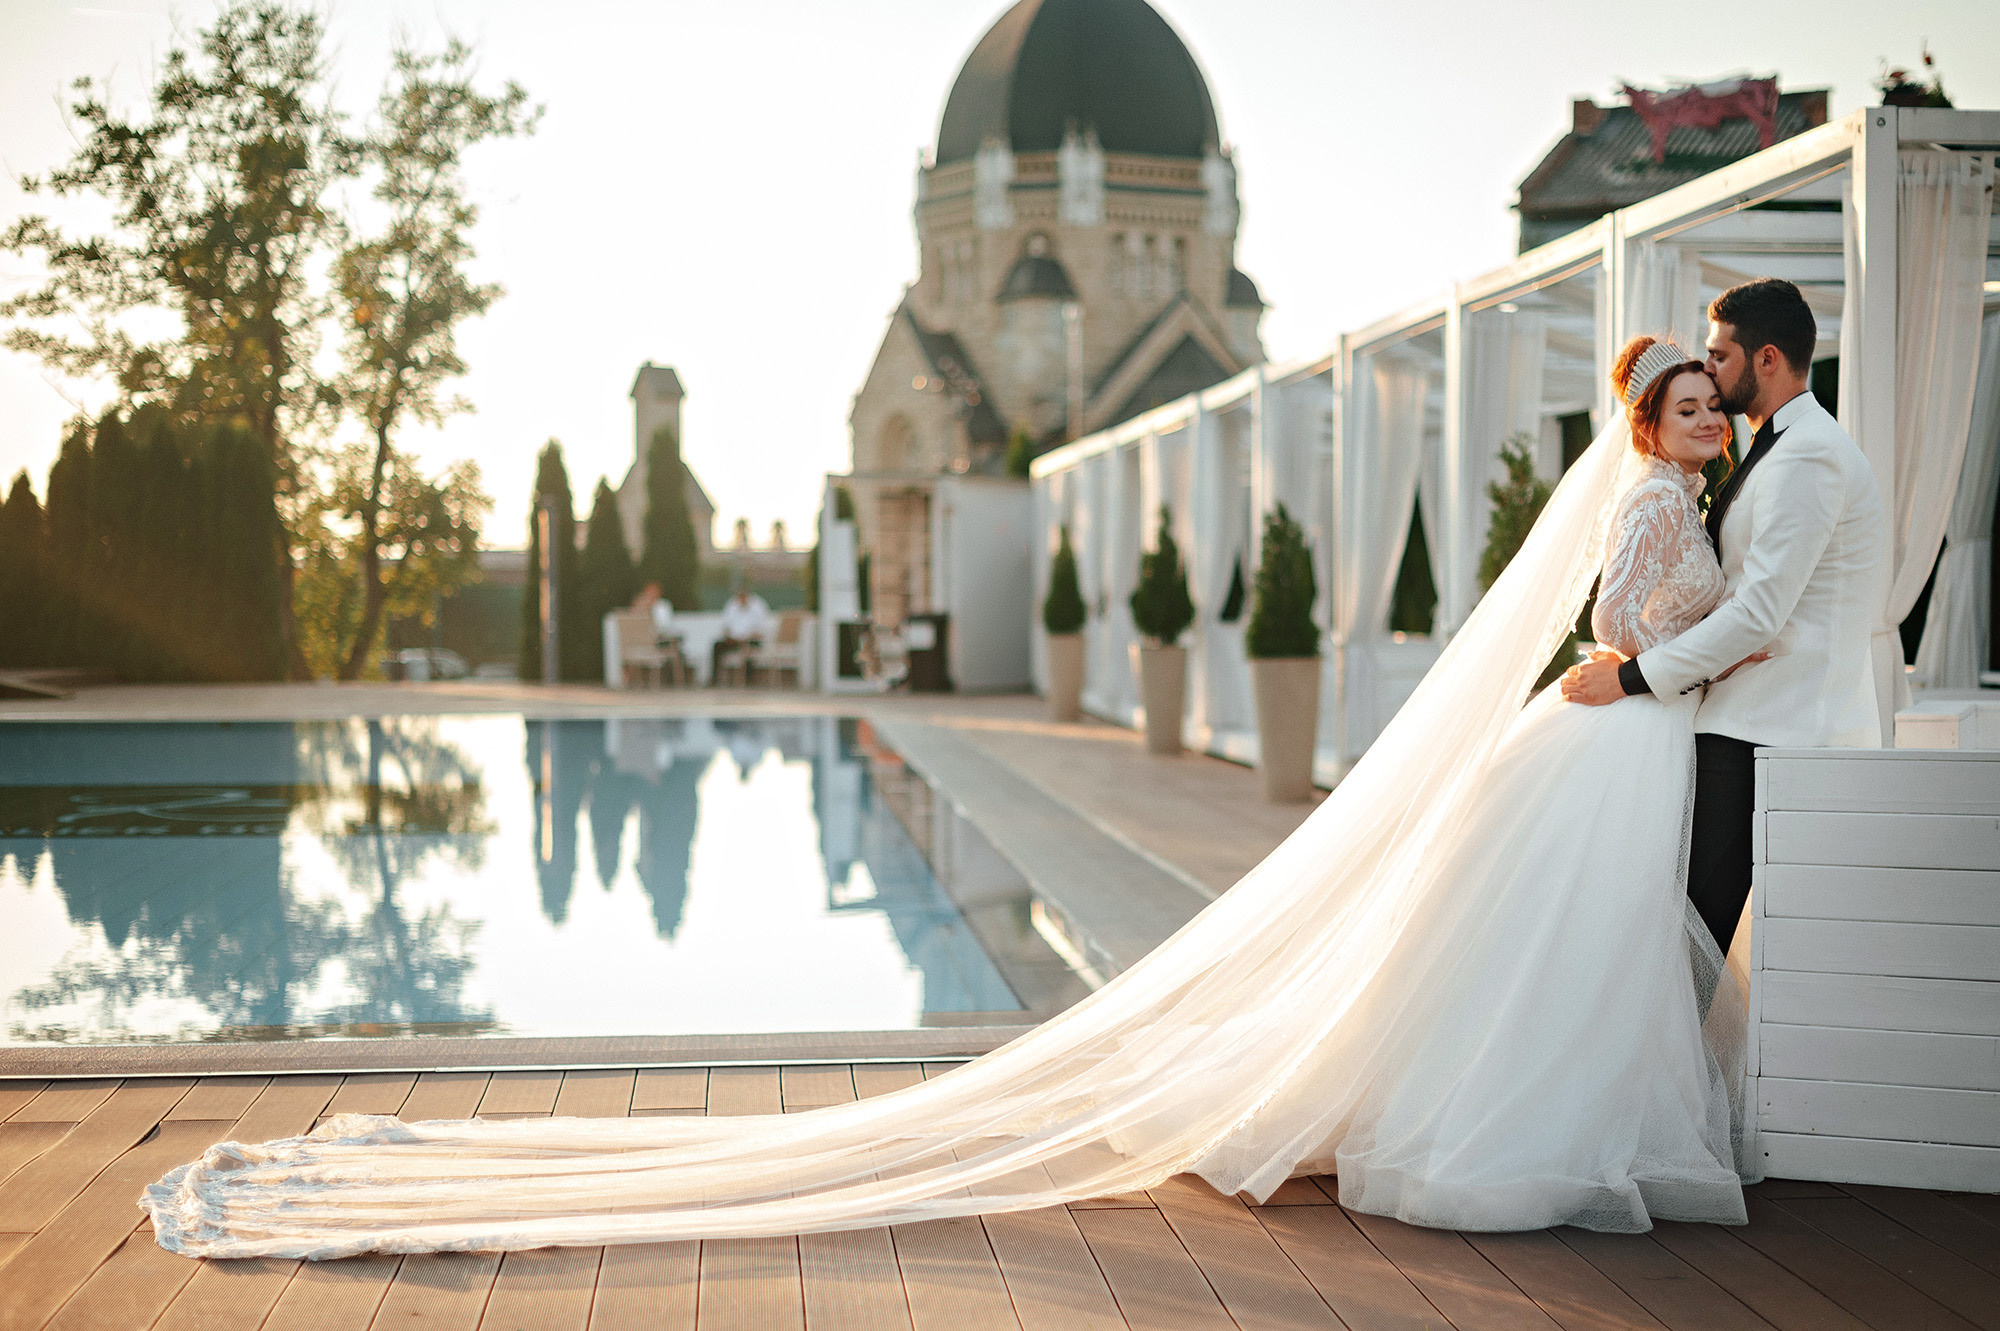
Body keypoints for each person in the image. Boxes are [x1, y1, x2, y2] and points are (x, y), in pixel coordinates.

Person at [141, 329, 1824, 1261]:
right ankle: (1554, 1131)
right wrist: (1693, 650)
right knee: (1586, 945)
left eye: (1703, 403)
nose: (1694, 420)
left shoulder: (1675, 495)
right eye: (1678, 405)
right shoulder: (1674, 508)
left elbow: (1634, 620)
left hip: (1618, 734)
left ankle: (1536, 1119)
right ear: (1648, 420)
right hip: (1625, 730)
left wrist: (1661, 650)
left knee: (1569, 943)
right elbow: (1653, 621)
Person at [1563, 279, 1886, 953]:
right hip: (1739, 725)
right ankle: (1659, 1055)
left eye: (1719, 356)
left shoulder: (1808, 455)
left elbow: (1759, 612)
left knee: (1691, 939)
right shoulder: (1771, 446)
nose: (1709, 368)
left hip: (1770, 728)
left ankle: (1661, 1056)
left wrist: (1631, 677)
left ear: (1766, 359)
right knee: (1679, 931)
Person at [712, 586, 771, 685]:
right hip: (734, 640)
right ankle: (714, 679)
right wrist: (729, 636)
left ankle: (748, 680)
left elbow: (761, 631)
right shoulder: (731, 605)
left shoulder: (758, 606)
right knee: (717, 646)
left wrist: (746, 638)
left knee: (747, 648)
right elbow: (725, 627)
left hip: (751, 640)